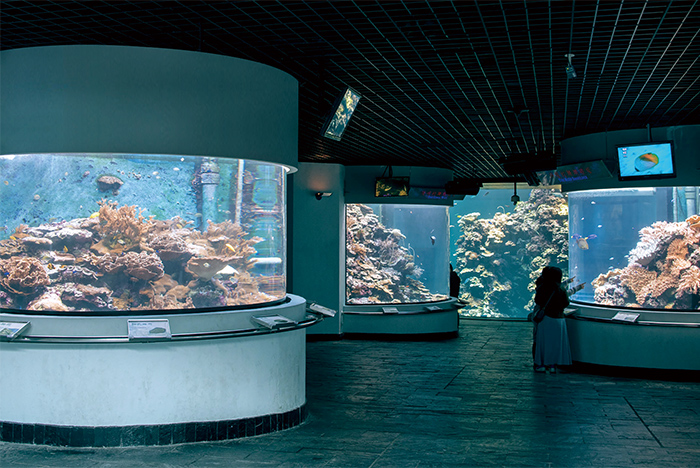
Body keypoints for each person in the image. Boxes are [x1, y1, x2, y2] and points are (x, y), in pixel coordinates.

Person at [532, 266, 575, 373]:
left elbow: (538, 300)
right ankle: (552, 365)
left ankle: (541, 364)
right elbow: (566, 303)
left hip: (546, 319)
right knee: (555, 343)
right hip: (559, 319)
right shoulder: (561, 289)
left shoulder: (543, 287)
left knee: (543, 342)